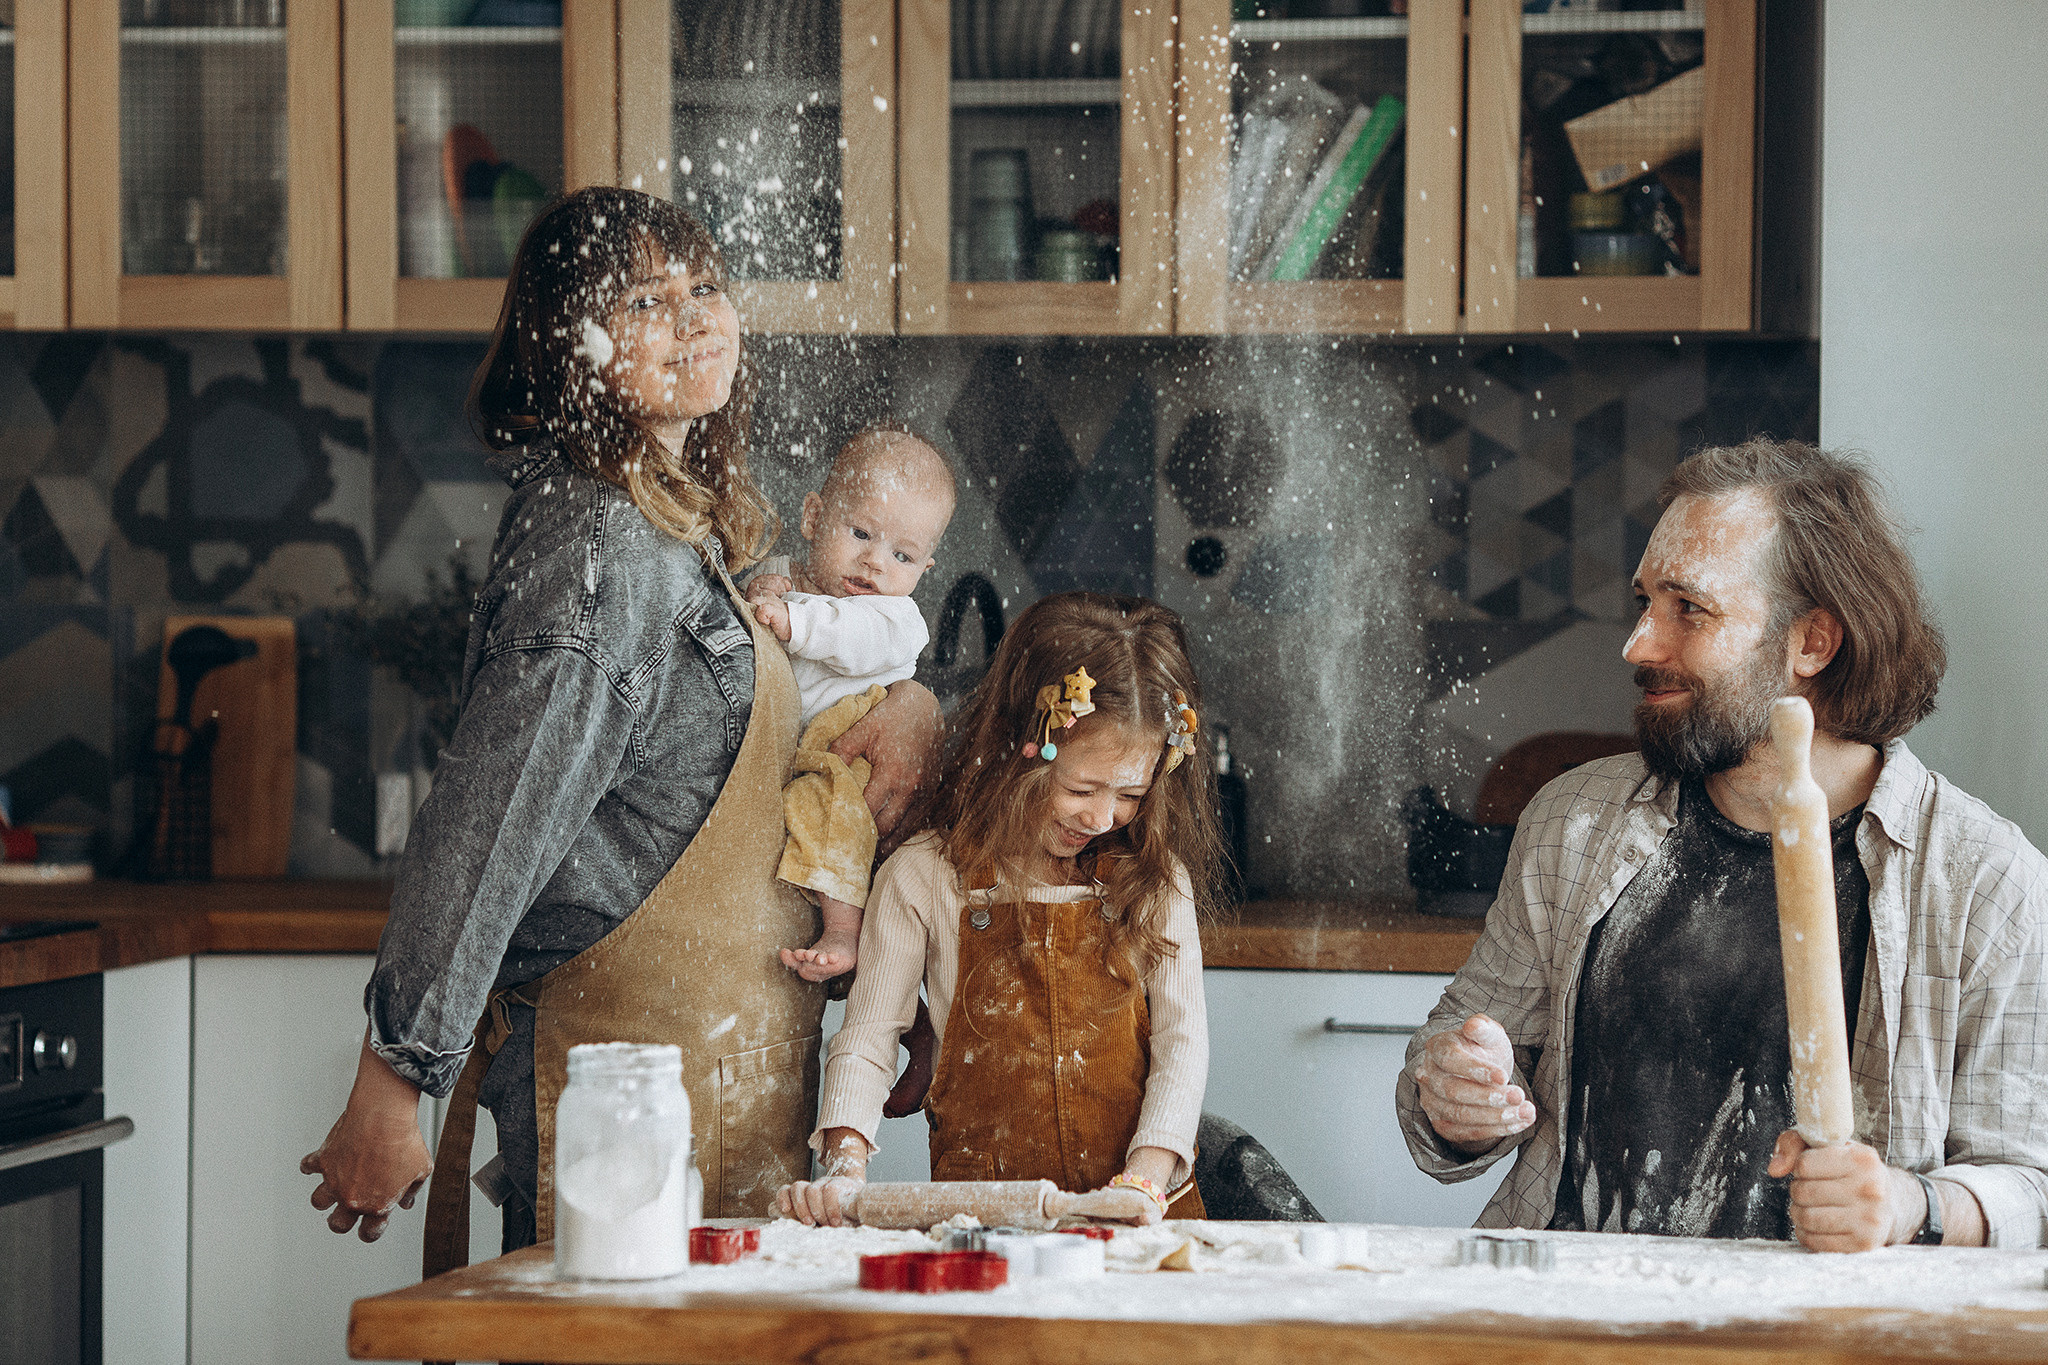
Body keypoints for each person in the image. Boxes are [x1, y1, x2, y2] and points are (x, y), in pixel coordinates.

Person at [297, 188, 940, 1262]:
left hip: (708, 1070)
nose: (694, 318)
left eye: (704, 288)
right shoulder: (600, 557)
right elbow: (488, 827)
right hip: (619, 1084)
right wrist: (394, 1080)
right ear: (571, 350)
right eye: (645, 299)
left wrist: (908, 702)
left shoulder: (671, 525)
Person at [1399, 438, 2048, 1252]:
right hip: (1567, 1311)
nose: (1638, 643)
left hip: (1829, 1338)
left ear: (1813, 642)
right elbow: (1454, 1054)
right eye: (1645, 602)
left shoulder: (1987, 883)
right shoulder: (1574, 821)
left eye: (1688, 608)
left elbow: (2032, 1183)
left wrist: (1909, 1204)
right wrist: (1456, 1091)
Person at [777, 592, 1223, 1227]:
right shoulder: (926, 876)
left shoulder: (1153, 883)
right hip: (983, 1226)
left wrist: (1144, 1182)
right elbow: (870, 1035)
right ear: (1024, 745)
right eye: (1080, 788)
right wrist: (844, 1165)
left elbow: (1183, 1047)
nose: (1101, 818)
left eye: (1131, 793)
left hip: (1142, 1222)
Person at [745, 427, 958, 982]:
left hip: (851, 741)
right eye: (860, 532)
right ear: (814, 518)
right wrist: (765, 587)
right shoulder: (797, 581)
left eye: (902, 554)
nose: (874, 561)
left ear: (923, 570)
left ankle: (844, 927)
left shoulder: (893, 616)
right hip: (798, 745)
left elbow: (845, 636)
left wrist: (792, 620)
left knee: (830, 810)